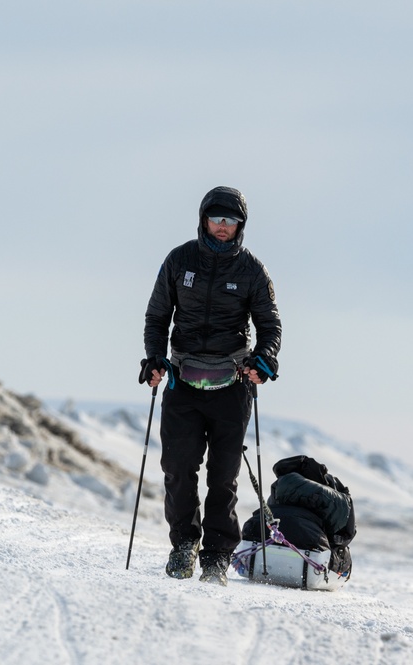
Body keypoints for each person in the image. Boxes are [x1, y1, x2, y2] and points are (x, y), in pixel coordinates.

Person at [139, 185, 282, 586]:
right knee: (178, 469)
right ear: (203, 219)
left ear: (241, 226)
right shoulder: (178, 260)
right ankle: (184, 545)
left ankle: (217, 557)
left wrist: (265, 360)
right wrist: (154, 358)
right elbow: (157, 317)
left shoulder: (252, 270)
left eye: (231, 221)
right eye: (217, 219)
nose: (223, 227)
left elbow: (270, 325)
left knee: (224, 476)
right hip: (183, 381)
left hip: (231, 384)